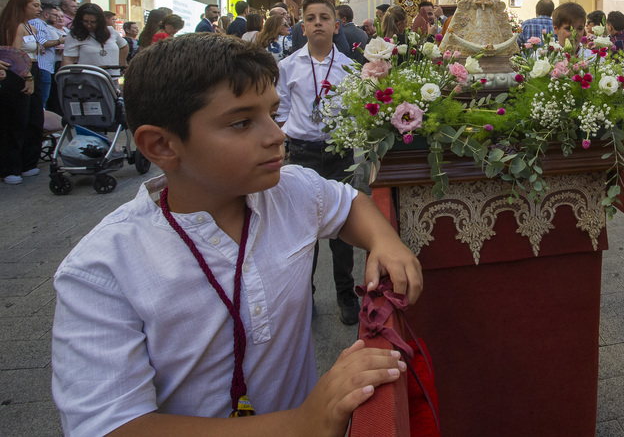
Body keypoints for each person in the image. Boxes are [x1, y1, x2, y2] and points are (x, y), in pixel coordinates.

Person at [51, 32, 421, 434]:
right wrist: (301, 423)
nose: (277, 135)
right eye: (242, 122)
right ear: (161, 145)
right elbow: (111, 426)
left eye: (274, 113)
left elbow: (348, 204)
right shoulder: (101, 270)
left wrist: (384, 241)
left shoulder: (289, 189)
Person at [276, 0, 363, 325]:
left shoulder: (348, 67)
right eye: (310, 18)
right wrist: (286, 138)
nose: (317, 23)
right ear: (302, 25)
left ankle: (344, 291)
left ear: (335, 25)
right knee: (304, 230)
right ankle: (304, 294)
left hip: (337, 153)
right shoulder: (288, 67)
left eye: (324, 17)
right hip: (302, 154)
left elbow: (356, 109)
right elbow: (282, 110)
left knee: (341, 227)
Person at [0, 0, 45, 185]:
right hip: (18, 73)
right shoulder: (15, 26)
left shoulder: (31, 27)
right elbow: (14, 54)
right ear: (22, 6)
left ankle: (28, 162)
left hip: (33, 70)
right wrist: (27, 76)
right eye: (35, 5)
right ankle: (11, 167)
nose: (39, 9)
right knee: (17, 120)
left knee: (35, 119)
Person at [62, 3, 128, 69]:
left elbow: (124, 47)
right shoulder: (74, 35)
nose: (89, 25)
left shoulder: (111, 31)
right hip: (88, 77)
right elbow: (68, 60)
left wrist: (119, 65)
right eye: (85, 21)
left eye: (93, 22)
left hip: (112, 77)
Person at [30, 3, 65, 108]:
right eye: (55, 15)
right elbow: (42, 43)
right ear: (46, 15)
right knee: (42, 100)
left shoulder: (42, 25)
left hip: (47, 67)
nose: (57, 18)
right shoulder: (37, 23)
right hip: (42, 66)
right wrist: (60, 40)